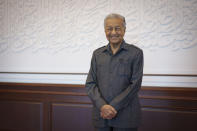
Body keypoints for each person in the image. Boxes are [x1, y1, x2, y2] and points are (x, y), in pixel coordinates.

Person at [85, 13, 144, 131]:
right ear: (105, 31)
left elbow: (135, 85)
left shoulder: (136, 53)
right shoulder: (97, 54)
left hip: (126, 116)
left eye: (117, 28)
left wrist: (112, 106)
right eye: (109, 29)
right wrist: (102, 106)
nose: (113, 32)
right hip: (101, 116)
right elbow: (90, 84)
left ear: (124, 30)